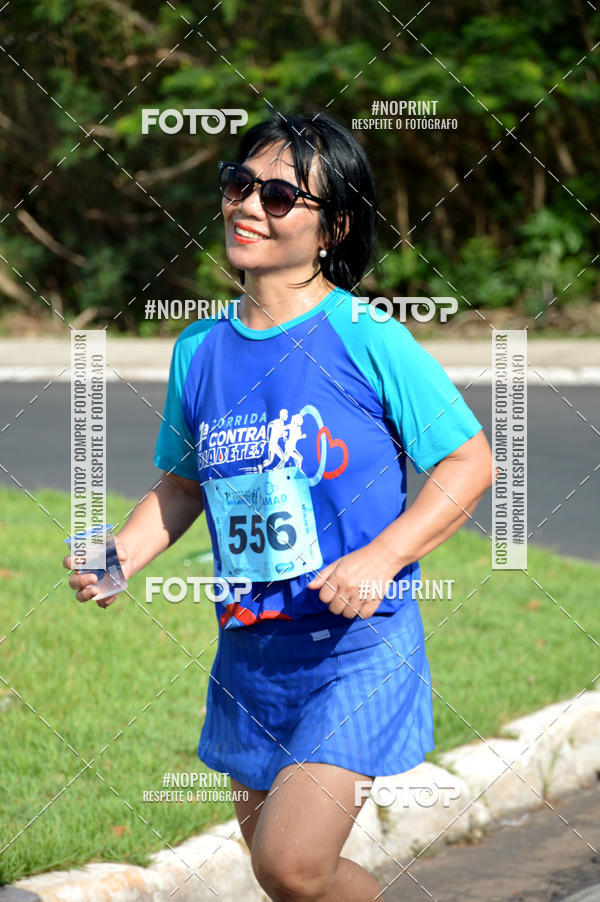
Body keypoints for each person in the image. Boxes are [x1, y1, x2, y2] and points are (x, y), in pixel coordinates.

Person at [64, 111, 493, 902]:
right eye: (239, 184)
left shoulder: (368, 337)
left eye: (279, 196)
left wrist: (382, 557)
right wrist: (118, 555)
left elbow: (468, 462)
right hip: (251, 652)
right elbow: (183, 486)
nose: (247, 205)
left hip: (357, 645)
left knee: (292, 863)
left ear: (335, 227)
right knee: (291, 877)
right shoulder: (199, 350)